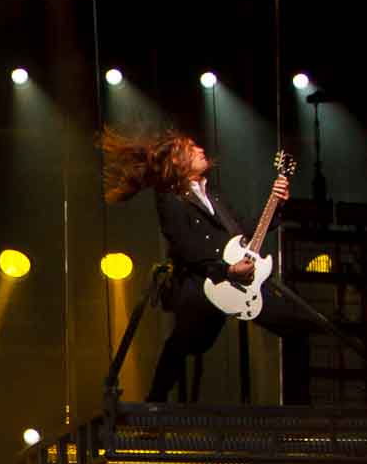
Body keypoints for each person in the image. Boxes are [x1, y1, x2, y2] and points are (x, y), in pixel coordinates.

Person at [100, 128, 311, 403]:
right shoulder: (169, 196)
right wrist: (226, 270)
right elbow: (184, 246)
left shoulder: (214, 194)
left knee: (298, 327)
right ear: (176, 161)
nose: (200, 150)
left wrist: (277, 205)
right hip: (203, 279)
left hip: (240, 281)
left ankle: (299, 411)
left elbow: (244, 231)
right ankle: (154, 405)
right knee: (182, 341)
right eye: (191, 148)